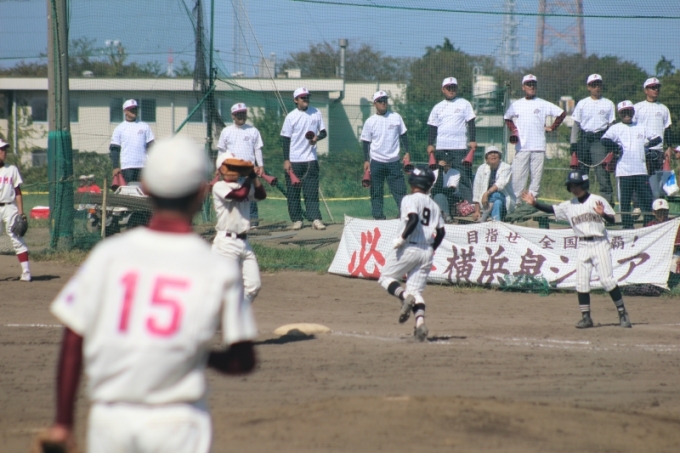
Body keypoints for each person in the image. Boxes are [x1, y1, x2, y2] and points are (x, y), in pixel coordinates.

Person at [45, 135, 258, 453]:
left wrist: (63, 423)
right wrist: (197, 355)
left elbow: (73, 339)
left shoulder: (108, 254)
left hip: (111, 420)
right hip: (178, 422)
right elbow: (243, 360)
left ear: (145, 187)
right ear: (201, 193)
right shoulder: (216, 267)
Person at [521, 171, 632, 329]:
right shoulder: (569, 206)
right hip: (583, 245)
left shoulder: (597, 200)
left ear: (583, 185)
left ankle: (622, 313)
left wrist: (603, 215)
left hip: (600, 243)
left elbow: (612, 220)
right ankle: (586, 317)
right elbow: (551, 209)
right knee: (581, 282)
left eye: (576, 185)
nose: (573, 188)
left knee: (607, 280)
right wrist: (535, 204)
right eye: (571, 185)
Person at [378, 166, 446, 342]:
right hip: (427, 251)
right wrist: (431, 249)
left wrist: (401, 238)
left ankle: (403, 296)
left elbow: (413, 219)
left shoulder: (409, 199)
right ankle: (420, 323)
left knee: (386, 278)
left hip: (410, 247)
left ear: (414, 181)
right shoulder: (434, 205)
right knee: (415, 291)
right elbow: (441, 232)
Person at [212, 152, 266, 306]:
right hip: (226, 244)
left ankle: (237, 314)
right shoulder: (219, 186)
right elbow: (240, 195)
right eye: (231, 166)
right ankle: (216, 315)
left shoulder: (243, 185)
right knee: (226, 287)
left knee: (254, 286)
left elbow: (261, 195)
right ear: (222, 169)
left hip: (244, 242)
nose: (235, 169)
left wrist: (253, 177)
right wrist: (249, 178)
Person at [504, 74, 566, 204]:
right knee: (517, 178)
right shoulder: (517, 104)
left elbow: (561, 113)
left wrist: (552, 127)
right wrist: (514, 130)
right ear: (523, 87)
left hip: (538, 147)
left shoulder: (542, 103)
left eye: (533, 84)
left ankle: (531, 204)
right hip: (522, 147)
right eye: (528, 84)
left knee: (536, 179)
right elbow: (507, 118)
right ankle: (516, 204)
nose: (531, 87)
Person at [601, 100, 662, 229]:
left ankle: (648, 225)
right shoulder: (616, 128)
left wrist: (647, 146)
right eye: (623, 112)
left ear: (633, 112)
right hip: (624, 171)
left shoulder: (641, 126)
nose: (627, 114)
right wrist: (616, 147)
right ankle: (627, 226)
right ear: (619, 114)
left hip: (641, 170)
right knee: (625, 202)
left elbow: (657, 138)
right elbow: (604, 140)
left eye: (629, 111)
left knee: (645, 200)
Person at [280, 87, 327, 230]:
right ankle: (297, 220)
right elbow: (285, 139)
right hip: (294, 161)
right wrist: (286, 160)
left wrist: (316, 138)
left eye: (307, 97)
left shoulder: (316, 112)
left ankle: (315, 219)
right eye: (302, 97)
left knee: (311, 192)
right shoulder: (291, 117)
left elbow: (323, 132)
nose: (306, 99)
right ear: (296, 100)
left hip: (310, 159)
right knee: (293, 193)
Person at [361, 90, 409, 220]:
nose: (383, 103)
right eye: (380, 101)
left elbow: (404, 135)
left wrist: (407, 152)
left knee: (400, 190)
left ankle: (404, 215)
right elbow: (365, 142)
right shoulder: (370, 121)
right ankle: (378, 217)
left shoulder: (396, 117)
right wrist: (366, 160)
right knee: (376, 191)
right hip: (376, 162)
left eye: (385, 100)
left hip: (394, 161)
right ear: (375, 103)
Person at [426, 77, 476, 203]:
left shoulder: (464, 103)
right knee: (439, 177)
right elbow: (432, 127)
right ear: (443, 89)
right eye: (448, 88)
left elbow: (471, 122)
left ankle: (468, 205)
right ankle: (438, 204)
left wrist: (472, 140)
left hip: (459, 148)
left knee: (463, 177)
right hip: (441, 148)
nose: (451, 90)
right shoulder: (438, 107)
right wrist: (430, 144)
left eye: (453, 87)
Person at [570, 74, 616, 204]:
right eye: (594, 85)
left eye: (599, 84)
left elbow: (611, 125)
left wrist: (612, 144)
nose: (597, 87)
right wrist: (573, 144)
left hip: (600, 140)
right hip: (584, 139)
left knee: (602, 174)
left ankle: (607, 204)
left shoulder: (608, 103)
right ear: (588, 87)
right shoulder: (582, 103)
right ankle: (581, 203)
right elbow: (576, 125)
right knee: (581, 174)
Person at [217, 103, 265, 226]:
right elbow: (221, 151)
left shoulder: (253, 130)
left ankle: (253, 222)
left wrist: (260, 165)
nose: (241, 116)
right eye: (238, 114)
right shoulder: (226, 131)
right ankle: (233, 222)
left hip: (248, 170)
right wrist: (219, 167)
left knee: (250, 196)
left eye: (243, 113)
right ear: (233, 116)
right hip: (231, 171)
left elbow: (257, 149)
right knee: (232, 196)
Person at [634, 77, 674, 199]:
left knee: (657, 183)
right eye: (652, 87)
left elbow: (668, 129)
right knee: (640, 179)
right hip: (641, 150)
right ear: (646, 90)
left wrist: (669, 148)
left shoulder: (664, 108)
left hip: (658, 150)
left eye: (657, 87)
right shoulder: (637, 107)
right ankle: (637, 204)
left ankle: (657, 205)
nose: (655, 89)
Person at [0, 138, 31, 281]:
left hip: (9, 207)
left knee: (16, 237)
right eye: (1, 149)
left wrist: (21, 212)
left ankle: (26, 271)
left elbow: (18, 192)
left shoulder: (11, 169)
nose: (4, 152)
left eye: (5, 149)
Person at [110, 99, 155, 184]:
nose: (134, 111)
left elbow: (151, 146)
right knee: (130, 189)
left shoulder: (145, 126)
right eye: (131, 109)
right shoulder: (119, 128)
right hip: (127, 166)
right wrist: (115, 166)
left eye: (135, 109)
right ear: (125, 111)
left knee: (143, 189)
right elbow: (115, 148)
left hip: (143, 166)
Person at [472, 146, 515, 222]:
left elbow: (500, 184)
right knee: (497, 203)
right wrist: (477, 211)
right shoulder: (481, 168)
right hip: (487, 202)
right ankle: (496, 223)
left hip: (504, 199)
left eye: (495, 153)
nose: (493, 155)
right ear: (486, 158)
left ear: (499, 156)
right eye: (490, 153)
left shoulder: (506, 167)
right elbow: (476, 189)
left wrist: (486, 194)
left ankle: (485, 215)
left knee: (495, 195)